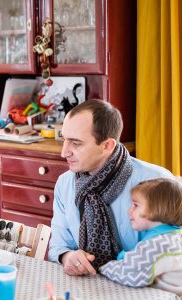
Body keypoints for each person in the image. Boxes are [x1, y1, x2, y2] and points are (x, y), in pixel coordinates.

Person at [48, 99, 173, 275]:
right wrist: (68, 257)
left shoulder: (158, 182)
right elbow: (58, 247)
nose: (64, 152)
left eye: (76, 143)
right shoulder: (64, 183)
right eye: (64, 139)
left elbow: (169, 255)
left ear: (107, 145)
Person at [100, 178, 182, 295]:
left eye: (135, 205)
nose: (129, 210)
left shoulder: (157, 244)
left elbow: (130, 274)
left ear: (156, 208)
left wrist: (103, 268)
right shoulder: (173, 236)